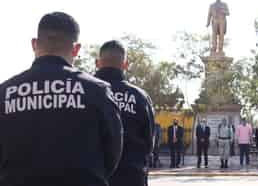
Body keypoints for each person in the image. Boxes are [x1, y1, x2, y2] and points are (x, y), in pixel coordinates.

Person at [0, 12, 123, 186]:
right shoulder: (98, 91)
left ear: (34, 44)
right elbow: (112, 154)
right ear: (76, 49)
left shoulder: (4, 93)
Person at [95, 40, 155, 186]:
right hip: (132, 177)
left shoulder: (85, 91)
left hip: (94, 176)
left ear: (98, 63)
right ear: (125, 65)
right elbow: (149, 143)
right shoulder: (140, 97)